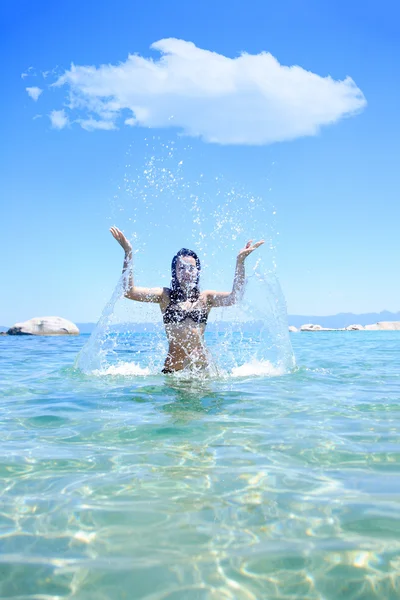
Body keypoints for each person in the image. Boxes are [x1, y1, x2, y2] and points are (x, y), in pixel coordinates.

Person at [110, 227, 264, 373]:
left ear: (197, 271)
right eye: (181, 268)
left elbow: (235, 297)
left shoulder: (206, 298)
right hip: (174, 372)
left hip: (202, 371)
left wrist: (240, 262)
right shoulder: (165, 296)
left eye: (191, 268)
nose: (186, 272)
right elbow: (128, 291)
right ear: (174, 272)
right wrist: (128, 252)